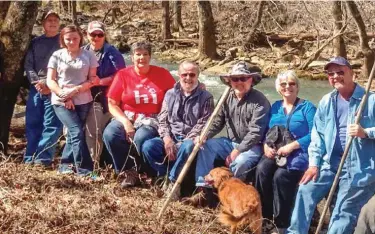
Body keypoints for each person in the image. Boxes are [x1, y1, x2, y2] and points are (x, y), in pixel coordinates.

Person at [287, 57, 375, 234]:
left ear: (352, 73)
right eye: (331, 73)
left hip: (359, 168)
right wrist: (314, 164)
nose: (335, 76)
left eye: (340, 72)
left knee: (342, 213)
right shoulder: (327, 101)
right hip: (329, 164)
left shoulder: (370, 100)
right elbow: (317, 136)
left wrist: (366, 132)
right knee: (305, 190)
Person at [185, 61, 271, 206]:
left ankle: (231, 199)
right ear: (230, 81)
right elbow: (217, 122)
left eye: (243, 78)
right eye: (235, 79)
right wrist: (205, 135)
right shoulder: (226, 97)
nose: (239, 82)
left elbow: (256, 132)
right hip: (230, 142)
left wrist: (238, 150)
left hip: (252, 146)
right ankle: (203, 190)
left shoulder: (260, 101)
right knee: (205, 146)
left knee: (240, 163)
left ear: (250, 80)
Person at [102, 41, 175, 187]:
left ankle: (146, 172)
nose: (141, 58)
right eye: (138, 54)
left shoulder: (163, 74)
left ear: (150, 56)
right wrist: (125, 122)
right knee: (110, 134)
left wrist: (199, 86)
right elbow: (112, 102)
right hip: (128, 115)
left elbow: (178, 91)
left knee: (141, 137)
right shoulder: (123, 75)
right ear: (132, 57)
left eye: (145, 54)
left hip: (152, 117)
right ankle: (127, 171)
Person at [254, 70, 316, 234]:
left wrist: (293, 146)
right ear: (278, 88)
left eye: (292, 83)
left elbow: (315, 133)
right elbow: (265, 131)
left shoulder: (307, 108)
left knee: (280, 177)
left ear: (297, 87)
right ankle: (266, 219)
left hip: (298, 153)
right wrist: (265, 146)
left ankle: (282, 224)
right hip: (275, 151)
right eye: (283, 84)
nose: (288, 87)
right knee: (261, 171)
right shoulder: (274, 107)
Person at [141, 61, 214, 200]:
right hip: (172, 136)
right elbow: (162, 119)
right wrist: (167, 139)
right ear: (179, 75)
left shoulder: (206, 97)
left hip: (189, 139)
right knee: (148, 146)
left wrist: (186, 140)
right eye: (184, 74)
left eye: (192, 75)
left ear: (198, 76)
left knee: (187, 146)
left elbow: (203, 124)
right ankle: (163, 176)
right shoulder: (170, 94)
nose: (188, 78)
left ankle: (173, 182)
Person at [47, 25, 99, 176]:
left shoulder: (89, 55)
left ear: (80, 38)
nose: (72, 42)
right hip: (61, 101)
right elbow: (50, 81)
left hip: (83, 100)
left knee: (73, 133)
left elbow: (93, 80)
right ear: (62, 39)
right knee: (76, 131)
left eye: (75, 38)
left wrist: (74, 91)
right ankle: (85, 171)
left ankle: (65, 165)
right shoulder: (57, 55)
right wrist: (64, 95)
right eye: (68, 39)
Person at [23, 10, 63, 168]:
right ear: (43, 24)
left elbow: (68, 66)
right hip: (36, 88)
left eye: (55, 20)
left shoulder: (64, 41)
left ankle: (43, 159)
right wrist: (37, 83)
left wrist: (50, 83)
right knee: (33, 123)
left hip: (55, 87)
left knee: (51, 125)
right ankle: (29, 157)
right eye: (49, 20)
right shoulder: (35, 42)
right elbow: (28, 65)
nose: (52, 23)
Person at [83, 21, 126, 163]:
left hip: (105, 100)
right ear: (87, 35)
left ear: (104, 35)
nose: (96, 38)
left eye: (99, 34)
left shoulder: (112, 53)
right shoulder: (82, 51)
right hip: (82, 97)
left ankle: (96, 163)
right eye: (92, 34)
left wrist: (100, 81)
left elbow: (121, 76)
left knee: (95, 131)